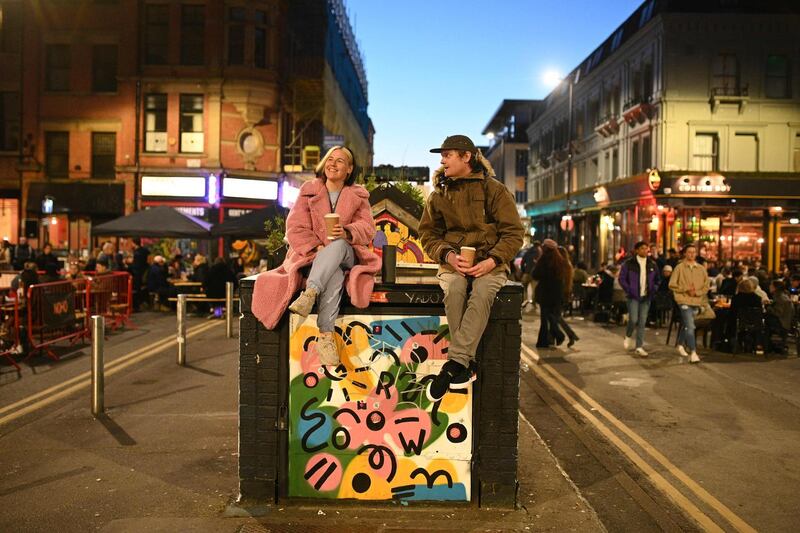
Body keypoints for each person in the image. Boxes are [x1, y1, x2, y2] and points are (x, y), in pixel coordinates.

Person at [252, 145, 380, 367]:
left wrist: (348, 231)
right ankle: (326, 336)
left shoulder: (358, 195)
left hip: (347, 252)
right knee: (335, 275)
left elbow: (368, 228)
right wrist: (316, 248)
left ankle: (311, 292)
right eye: (330, 159)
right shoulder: (308, 190)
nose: (333, 163)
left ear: (349, 169)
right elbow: (295, 228)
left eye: (340, 161)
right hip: (314, 256)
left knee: (338, 246)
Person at [418, 135, 523, 401]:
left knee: (484, 291)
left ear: (466, 157)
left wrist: (492, 260)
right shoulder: (438, 194)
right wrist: (449, 256)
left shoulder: (495, 190)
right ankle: (464, 363)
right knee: (454, 288)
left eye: (448, 155)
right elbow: (428, 235)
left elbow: (513, 233)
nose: (442, 161)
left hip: (490, 263)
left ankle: (455, 363)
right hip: (453, 263)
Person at [669, 243, 709, 363]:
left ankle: (680, 344)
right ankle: (693, 352)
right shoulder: (679, 268)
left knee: (687, 325)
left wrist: (696, 292)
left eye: (693, 252)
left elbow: (706, 286)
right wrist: (685, 289)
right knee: (691, 326)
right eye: (689, 252)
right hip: (683, 300)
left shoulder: (701, 269)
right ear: (685, 254)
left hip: (696, 301)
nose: (691, 254)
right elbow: (671, 284)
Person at [619, 241, 660, 357]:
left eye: (646, 249)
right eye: (642, 248)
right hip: (633, 296)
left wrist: (654, 289)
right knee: (633, 319)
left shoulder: (652, 264)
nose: (645, 251)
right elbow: (622, 279)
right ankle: (628, 335)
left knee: (642, 322)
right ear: (636, 250)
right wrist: (629, 289)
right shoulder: (628, 264)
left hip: (646, 297)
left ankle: (639, 346)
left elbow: (658, 279)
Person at [532, 240, 568, 348]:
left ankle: (547, 339)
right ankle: (552, 338)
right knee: (552, 316)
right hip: (557, 294)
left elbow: (535, 274)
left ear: (546, 248)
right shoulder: (560, 260)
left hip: (546, 294)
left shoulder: (544, 259)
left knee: (545, 319)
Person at [765, 280, 793, 354]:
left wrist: (768, 307)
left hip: (782, 323)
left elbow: (778, 313)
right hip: (786, 321)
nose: (769, 287)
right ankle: (770, 345)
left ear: (775, 288)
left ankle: (767, 345)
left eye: (771, 285)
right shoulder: (782, 296)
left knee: (764, 322)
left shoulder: (780, 298)